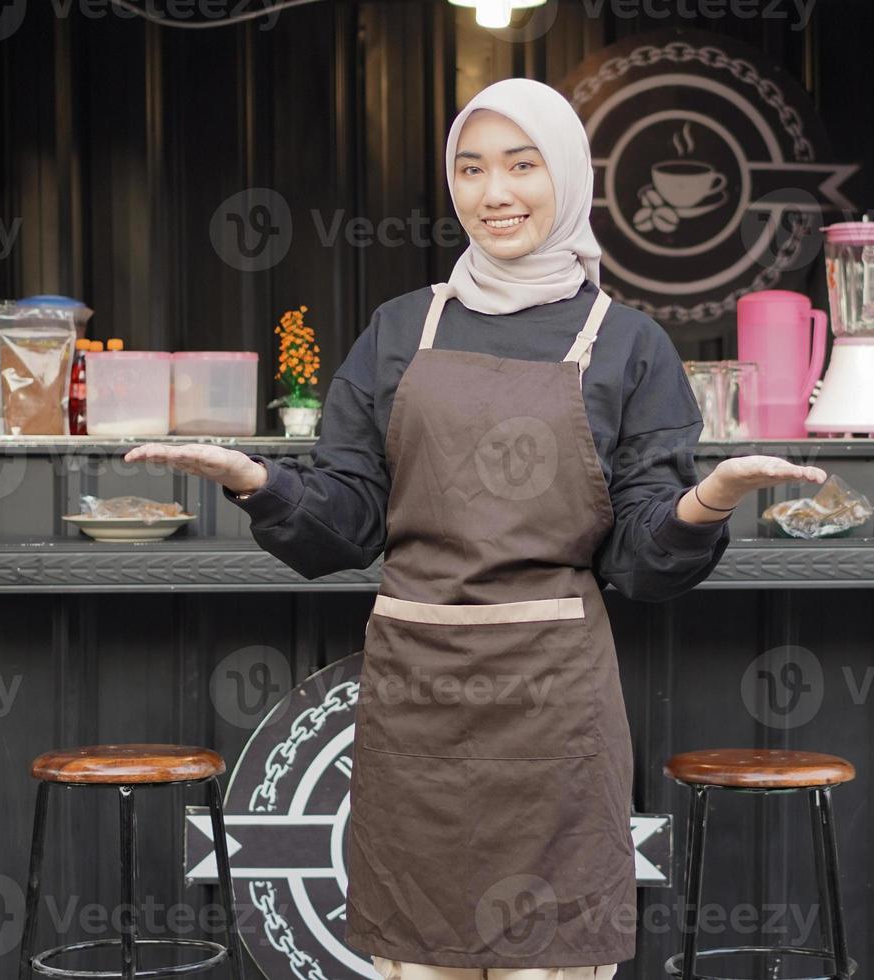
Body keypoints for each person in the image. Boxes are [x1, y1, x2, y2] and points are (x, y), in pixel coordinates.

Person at [127, 78, 826, 980]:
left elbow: (643, 563)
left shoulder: (626, 343)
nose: (493, 192)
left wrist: (710, 499)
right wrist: (257, 482)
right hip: (419, 697)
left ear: (566, 175)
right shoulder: (398, 331)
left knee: (551, 962)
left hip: (554, 705)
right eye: (471, 168)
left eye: (520, 165)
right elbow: (345, 526)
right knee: (422, 961)